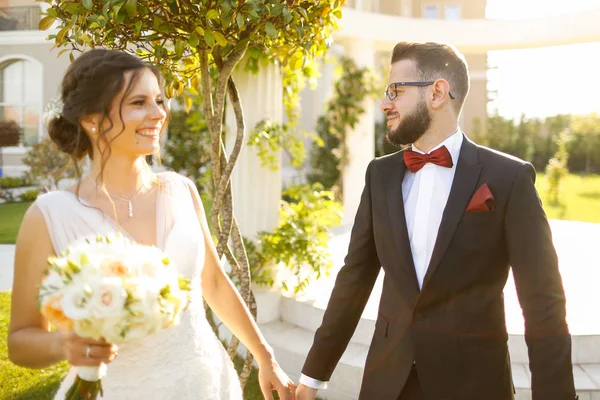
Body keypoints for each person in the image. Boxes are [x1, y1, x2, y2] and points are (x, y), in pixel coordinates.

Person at [296, 41, 578, 400]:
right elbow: (353, 280)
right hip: (387, 384)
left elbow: (543, 302)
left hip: (474, 386)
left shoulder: (509, 178)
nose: (385, 103)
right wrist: (312, 377)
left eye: (395, 91)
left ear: (437, 92)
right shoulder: (379, 175)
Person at [8, 48, 295, 400]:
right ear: (92, 119)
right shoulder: (50, 215)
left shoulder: (181, 190)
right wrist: (65, 343)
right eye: (139, 102)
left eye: (159, 100)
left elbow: (215, 285)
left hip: (202, 382)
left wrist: (265, 356)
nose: (159, 113)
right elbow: (20, 342)